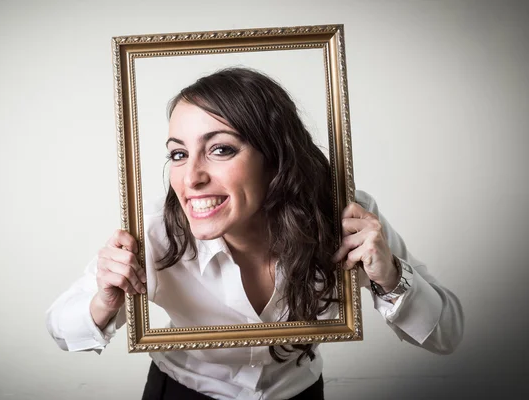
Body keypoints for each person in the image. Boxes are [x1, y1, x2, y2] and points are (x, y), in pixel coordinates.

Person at [46, 68, 464, 400]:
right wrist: (103, 300)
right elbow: (61, 329)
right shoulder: (155, 229)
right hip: (181, 394)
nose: (191, 177)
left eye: (221, 148)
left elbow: (446, 333)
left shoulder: (346, 215)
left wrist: (389, 275)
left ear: (275, 158)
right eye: (178, 154)